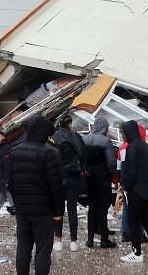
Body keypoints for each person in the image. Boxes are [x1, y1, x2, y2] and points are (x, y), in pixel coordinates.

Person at [8, 115, 63, 275]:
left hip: (23, 210)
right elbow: (55, 186)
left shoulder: (14, 151)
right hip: (43, 211)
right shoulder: (48, 153)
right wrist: (58, 212)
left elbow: (10, 183)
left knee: (23, 248)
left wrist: (18, 202)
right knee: (43, 250)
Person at [119, 120, 148, 263]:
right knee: (146, 220)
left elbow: (131, 171)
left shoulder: (132, 148)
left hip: (135, 191)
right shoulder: (145, 146)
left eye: (124, 133)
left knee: (133, 221)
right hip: (145, 189)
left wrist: (125, 186)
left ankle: (137, 252)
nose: (124, 136)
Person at [82, 116, 117, 248]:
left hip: (89, 178)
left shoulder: (85, 139)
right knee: (102, 209)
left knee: (92, 208)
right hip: (103, 179)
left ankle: (90, 239)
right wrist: (111, 174)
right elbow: (111, 163)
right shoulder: (106, 142)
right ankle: (104, 239)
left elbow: (82, 159)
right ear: (105, 128)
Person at [53, 116, 85, 252]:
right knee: (72, 209)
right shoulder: (76, 136)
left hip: (58, 177)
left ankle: (58, 240)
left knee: (58, 209)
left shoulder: (53, 137)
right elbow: (83, 154)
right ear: (70, 124)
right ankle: (73, 241)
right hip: (73, 176)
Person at [118, 123, 147, 242]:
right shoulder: (135, 146)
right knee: (138, 208)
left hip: (126, 181)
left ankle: (126, 231)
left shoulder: (123, 146)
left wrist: (119, 181)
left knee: (126, 207)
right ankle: (137, 233)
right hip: (134, 182)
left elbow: (119, 166)